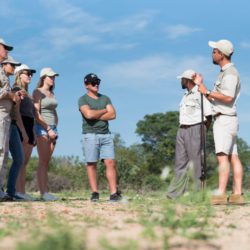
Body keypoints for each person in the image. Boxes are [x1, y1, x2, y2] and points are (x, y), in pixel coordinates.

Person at [193, 39, 244, 205]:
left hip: (224, 119)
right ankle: (237, 194)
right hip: (229, 118)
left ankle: (221, 194)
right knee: (233, 156)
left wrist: (206, 90)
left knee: (222, 157)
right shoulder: (226, 72)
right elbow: (217, 98)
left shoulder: (229, 73)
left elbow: (228, 97)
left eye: (214, 51)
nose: (212, 54)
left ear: (221, 54)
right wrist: (202, 87)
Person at [167, 69, 212, 199]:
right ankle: (175, 194)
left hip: (196, 128)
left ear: (187, 80)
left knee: (196, 162)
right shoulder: (185, 95)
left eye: (182, 79)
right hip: (182, 129)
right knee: (180, 163)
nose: (181, 81)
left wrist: (202, 130)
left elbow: (208, 115)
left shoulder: (200, 93)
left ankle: (198, 194)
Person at [78, 73, 121, 202]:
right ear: (86, 85)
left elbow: (113, 115)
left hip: (106, 134)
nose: (96, 84)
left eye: (97, 82)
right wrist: (103, 111)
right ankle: (95, 192)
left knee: (110, 163)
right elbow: (88, 115)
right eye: (93, 82)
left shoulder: (105, 98)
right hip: (90, 135)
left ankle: (113, 194)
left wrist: (95, 113)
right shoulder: (82, 99)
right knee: (92, 164)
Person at [33, 67, 59, 201]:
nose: (53, 78)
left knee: (46, 161)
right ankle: (44, 193)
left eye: (54, 76)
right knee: (43, 161)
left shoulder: (52, 94)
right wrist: (48, 128)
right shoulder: (38, 92)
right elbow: (36, 114)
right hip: (43, 128)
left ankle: (45, 192)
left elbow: (53, 110)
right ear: (44, 78)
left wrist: (55, 126)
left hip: (53, 129)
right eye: (51, 76)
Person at [0, 55, 23, 201]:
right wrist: (10, 95)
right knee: (1, 152)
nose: (14, 68)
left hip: (6, 118)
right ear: (4, 64)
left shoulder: (6, 79)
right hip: (1, 117)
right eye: (12, 65)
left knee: (4, 155)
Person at [13, 64, 36, 200]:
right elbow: (17, 112)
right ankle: (17, 191)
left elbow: (31, 114)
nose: (30, 76)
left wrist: (32, 131)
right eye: (27, 73)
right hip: (21, 125)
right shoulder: (17, 90)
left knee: (25, 162)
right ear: (19, 74)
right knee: (20, 160)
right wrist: (23, 131)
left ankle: (22, 191)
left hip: (30, 124)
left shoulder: (28, 92)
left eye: (31, 74)